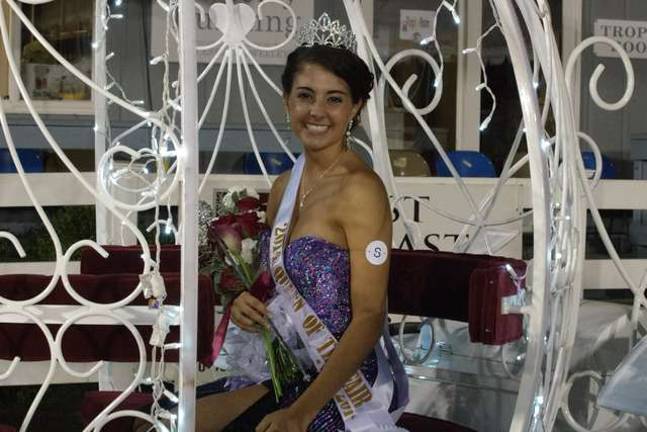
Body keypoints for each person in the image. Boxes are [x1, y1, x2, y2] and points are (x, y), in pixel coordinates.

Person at [136, 13, 407, 432]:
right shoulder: (284, 186)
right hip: (281, 370)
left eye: (334, 99)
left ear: (356, 107)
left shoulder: (362, 190)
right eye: (305, 96)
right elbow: (275, 284)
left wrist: (301, 413)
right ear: (287, 101)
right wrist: (245, 302)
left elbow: (370, 316)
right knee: (154, 422)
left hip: (337, 382)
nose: (317, 111)